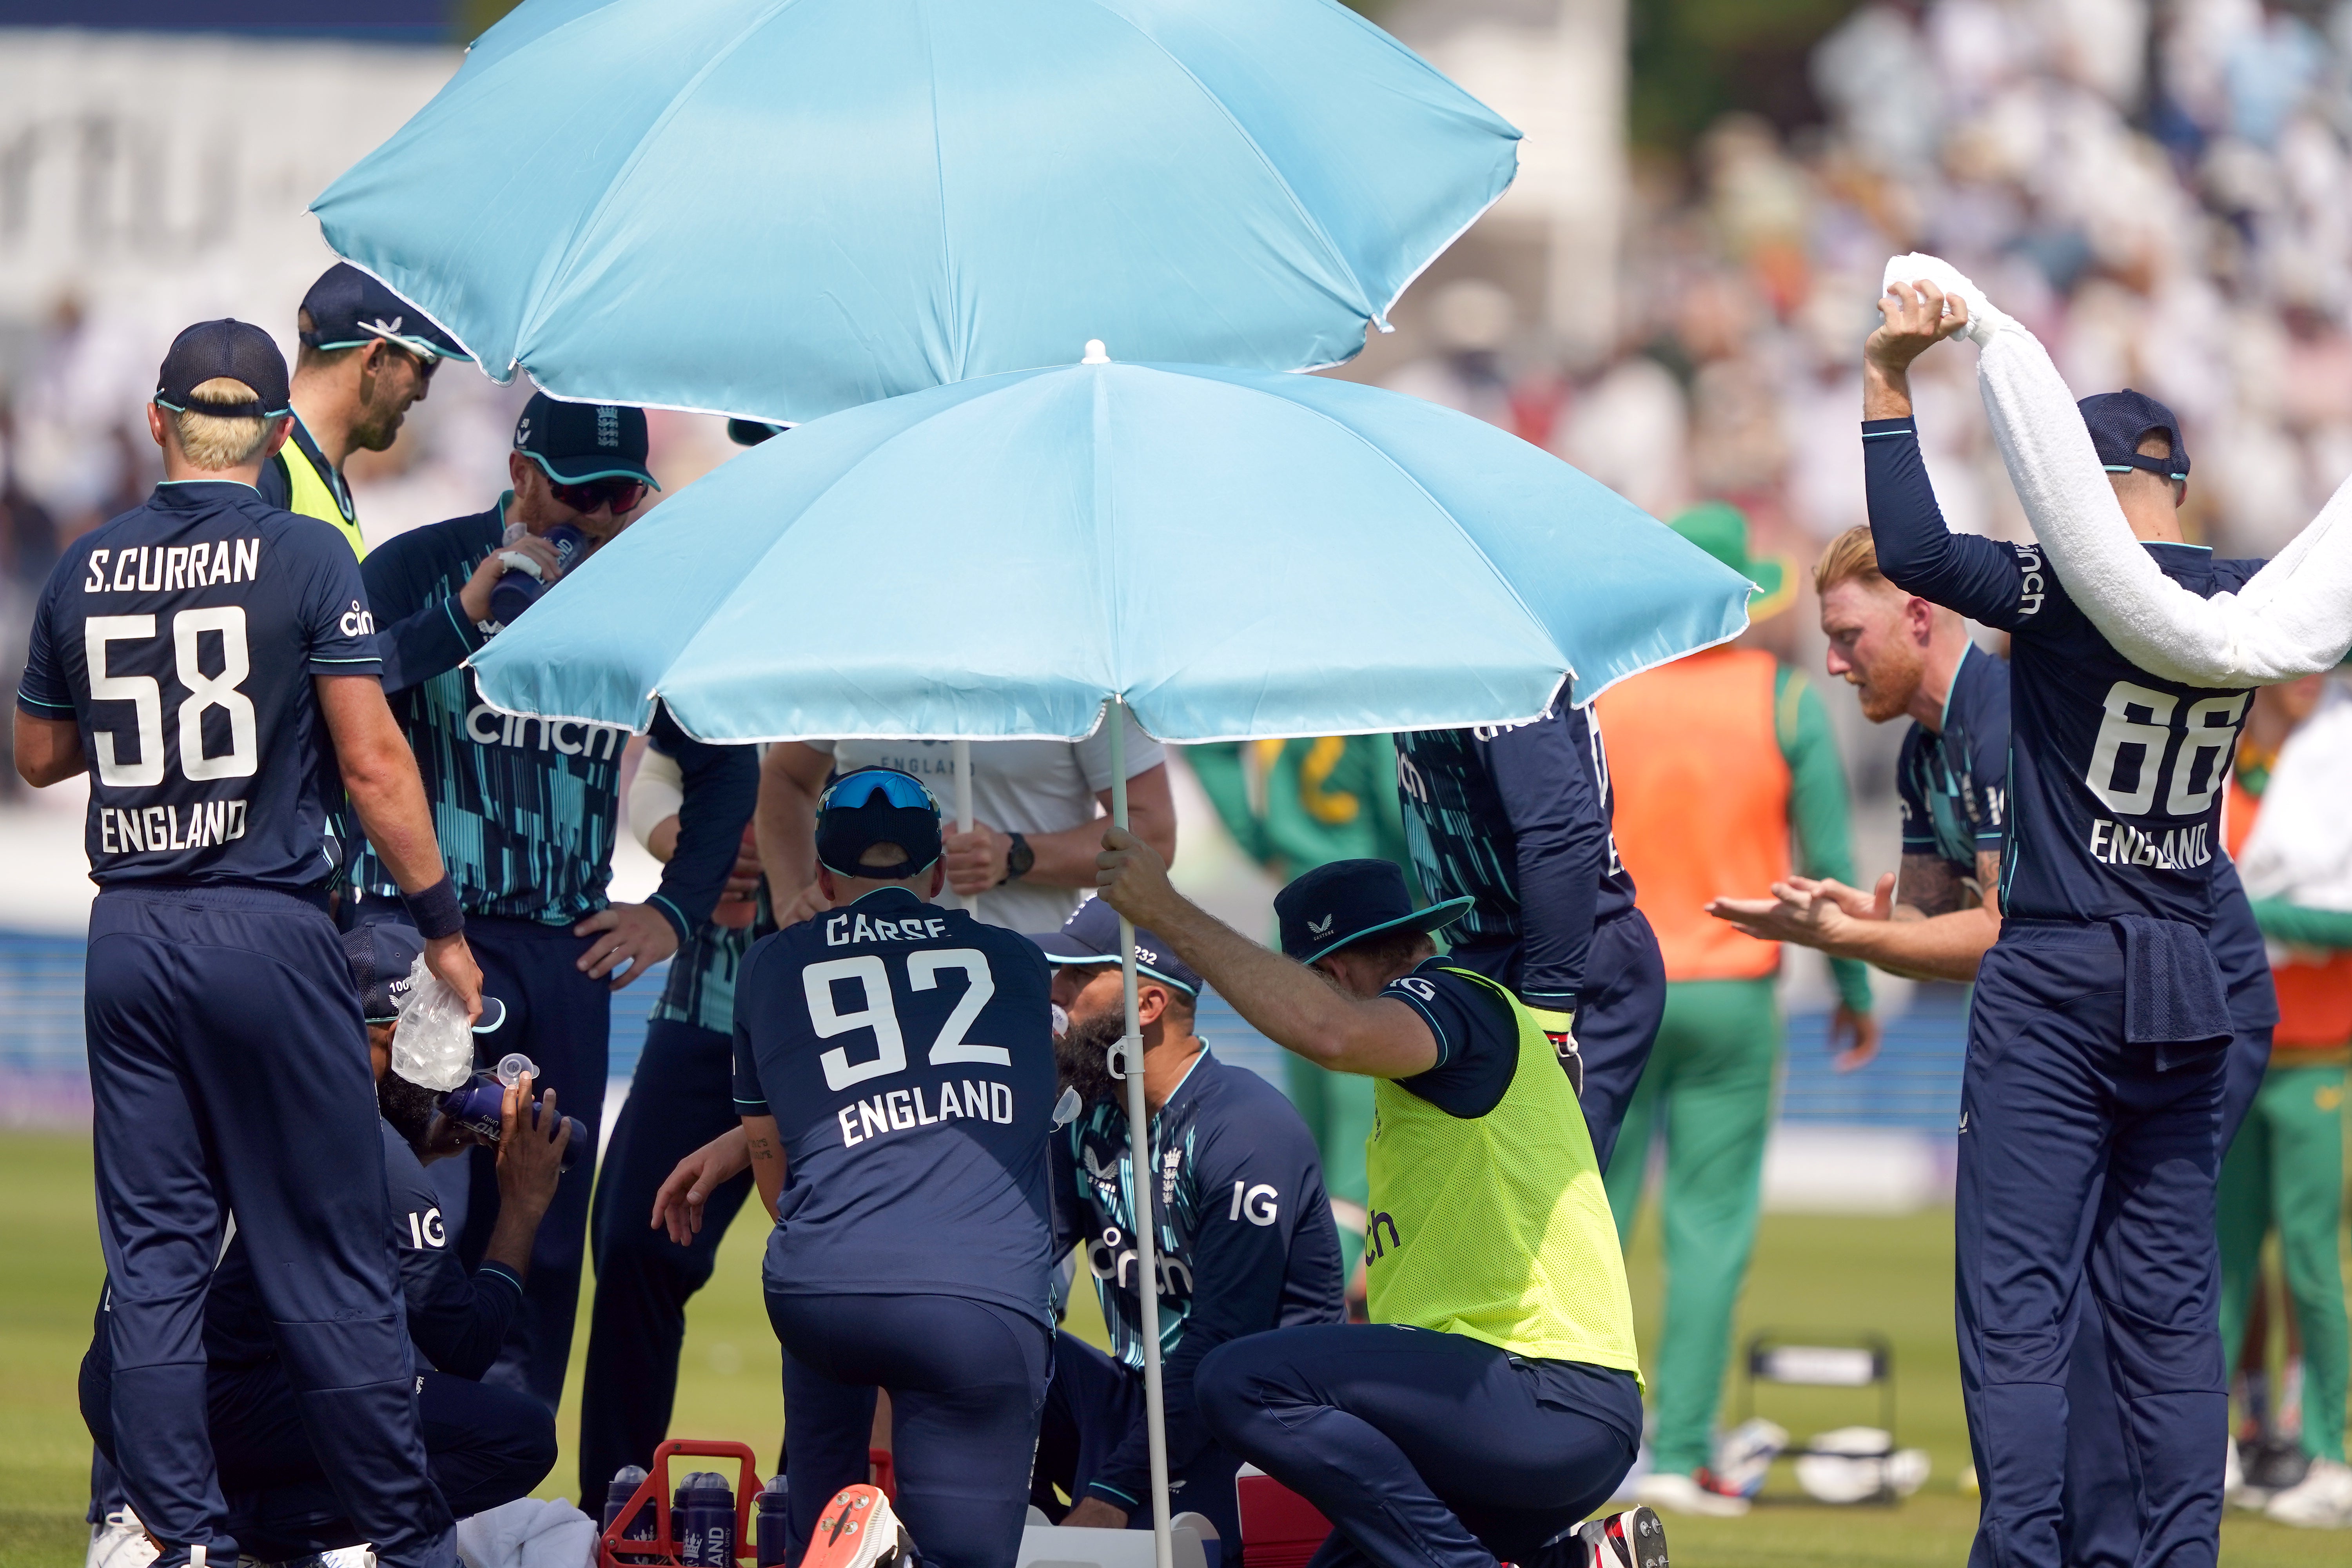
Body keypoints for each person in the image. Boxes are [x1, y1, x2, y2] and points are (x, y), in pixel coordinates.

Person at [1715, 522, 2283, 1568]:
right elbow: (1941, 915)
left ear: (1922, 615)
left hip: (2202, 1001)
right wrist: (1860, 914)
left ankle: (2103, 1543)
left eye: (1848, 637)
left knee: (2111, 1298)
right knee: (2069, 1299)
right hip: (2120, 995)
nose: (1834, 664)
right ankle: (2089, 1540)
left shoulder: (2007, 715)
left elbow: (2003, 929)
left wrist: (1861, 937)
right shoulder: (1926, 744)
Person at [13, 318, 481, 1568]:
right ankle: (397, 1536)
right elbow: (376, 761)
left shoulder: (85, 563)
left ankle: (175, 1538)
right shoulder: (308, 551)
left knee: (157, 1264)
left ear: (160, 423)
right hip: (266, 923)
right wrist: (441, 930)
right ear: (278, 437)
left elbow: (42, 753)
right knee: (327, 1253)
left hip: (132, 930)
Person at [1862, 278, 2261, 1568]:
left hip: (2061, 969)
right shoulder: (2245, 599)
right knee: (2170, 1312)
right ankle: (2180, 1552)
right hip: (2190, 968)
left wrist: (1886, 384)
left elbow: (1916, 559)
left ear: (2072, 482)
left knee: (2020, 1309)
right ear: (2181, 489)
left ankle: (2027, 1554)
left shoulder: (2064, 587)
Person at [350, 391, 758, 1410]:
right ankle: (379, 1463)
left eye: (621, 497)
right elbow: (340, 703)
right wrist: (465, 616)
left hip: (568, 950)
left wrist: (673, 912)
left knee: (547, 1229)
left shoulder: (649, 604)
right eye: (577, 495)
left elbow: (724, 765)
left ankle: (507, 1449)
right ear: (522, 475)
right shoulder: (422, 567)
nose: (597, 520)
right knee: (417, 1215)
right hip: (433, 942)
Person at [1091, 846, 1662, 1568]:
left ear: (1329, 975)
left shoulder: (1456, 998)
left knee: (1241, 1381)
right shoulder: (1449, 1049)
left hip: (1537, 1391)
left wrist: (1165, 913)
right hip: (1513, 1417)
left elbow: (1334, 1034)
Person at [81, 923, 563, 1563]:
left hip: (126, 1383)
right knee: (517, 1436)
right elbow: (467, 1345)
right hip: (213, 1402)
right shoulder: (366, 1147)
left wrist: (415, 1146)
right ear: (388, 1038)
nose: (458, 1055)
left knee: (355, 1346)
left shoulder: (236, 1082)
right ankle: (243, 1535)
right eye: (444, 1031)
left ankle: (178, 1520)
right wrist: (524, 1206)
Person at [1590, 502, 1878, 1518]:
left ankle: (1587, 1445)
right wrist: (1854, 994)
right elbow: (1832, 867)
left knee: (1596, 1225)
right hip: (1733, 992)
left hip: (1616, 991)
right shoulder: (1787, 699)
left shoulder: (1605, 695)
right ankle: (1677, 1449)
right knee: (1710, 1231)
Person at [731, 768, 1057, 1568]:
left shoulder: (771, 965)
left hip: (822, 1283)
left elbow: (773, 1161)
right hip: (977, 1299)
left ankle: (834, 1538)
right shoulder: (1018, 958)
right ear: (939, 870)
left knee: (821, 1515)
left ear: (821, 872)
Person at [1027, 898, 1345, 1545]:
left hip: (1252, 1419)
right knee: (985, 1340)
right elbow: (1024, 1263)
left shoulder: (1247, 1128)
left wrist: (1112, 1493)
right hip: (1138, 1395)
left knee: (1152, 1536)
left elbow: (1221, 1346)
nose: (1056, 999)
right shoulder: (1087, 1115)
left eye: (1077, 980)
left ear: (1148, 1006)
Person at [578, 736, 769, 1498]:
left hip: (837, 1007)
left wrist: (783, 849)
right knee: (633, 1239)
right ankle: (616, 1512)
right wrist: (701, 849)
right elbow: (659, 775)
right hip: (707, 998)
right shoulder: (733, 641)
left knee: (840, 1272)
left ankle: (821, 1514)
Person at [1393, 698, 1664, 1174]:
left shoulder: (1489, 658)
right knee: (1480, 1215)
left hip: (1558, 955)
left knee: (1541, 1222)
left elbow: (1561, 828)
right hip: (1505, 951)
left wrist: (1550, 1013)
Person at [1188, 734, 1412, 1281]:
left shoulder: (1285, 677)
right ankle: (1318, 1314)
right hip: (1373, 932)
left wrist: (1264, 841)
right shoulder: (1381, 692)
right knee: (1364, 1161)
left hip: (1297, 925)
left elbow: (1207, 748)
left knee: (1320, 1146)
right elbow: (1399, 797)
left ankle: (1294, 1309)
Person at [2218, 673, 2352, 1527]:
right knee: (2218, 1265)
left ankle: (2334, 1451)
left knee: (2309, 1257)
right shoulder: (2217, 769)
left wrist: (2250, 911)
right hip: (2230, 1051)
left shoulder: (2336, 764)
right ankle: (2211, 1440)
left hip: (2316, 1056)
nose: (2310, 678)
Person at [757, 716, 1176, 939]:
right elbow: (785, 779)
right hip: (861, 973)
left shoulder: (1075, 668)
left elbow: (1152, 831)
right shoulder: (860, 656)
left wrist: (1015, 855)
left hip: (1020, 976)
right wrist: (792, 899)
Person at [257, 263, 470, 560]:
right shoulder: (264, 468)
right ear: (376, 359)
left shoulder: (312, 471)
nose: (423, 392)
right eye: (426, 364)